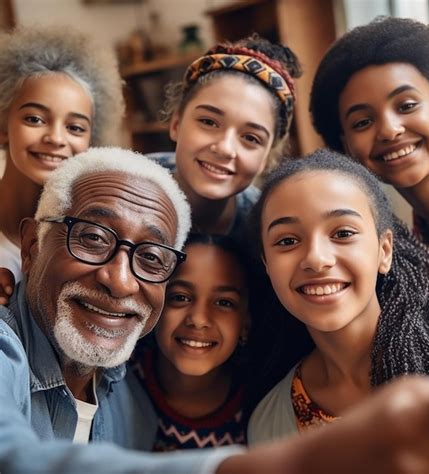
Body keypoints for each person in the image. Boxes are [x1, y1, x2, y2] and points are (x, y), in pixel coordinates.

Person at [0, 146, 429, 473]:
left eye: (150, 258)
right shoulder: (270, 418)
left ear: (385, 249)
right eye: (94, 239)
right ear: (30, 245)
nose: (120, 278)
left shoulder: (126, 391)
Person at [245, 149, 429, 444]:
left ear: (384, 250)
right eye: (287, 241)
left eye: (342, 234)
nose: (316, 258)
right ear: (267, 265)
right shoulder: (268, 425)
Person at [309, 16, 429, 323]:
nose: (388, 130)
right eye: (363, 122)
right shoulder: (401, 248)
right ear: (347, 147)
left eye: (407, 105)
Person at [0, 25, 124, 281]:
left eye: (75, 127)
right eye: (34, 119)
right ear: (3, 126)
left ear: (92, 141)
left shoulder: (93, 237)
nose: (56, 138)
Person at [150, 34, 301, 240]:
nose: (225, 148)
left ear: (266, 158)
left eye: (251, 138)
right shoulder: (122, 185)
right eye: (209, 122)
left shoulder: (266, 230)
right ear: (176, 124)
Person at [133, 233, 251, 450]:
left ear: (246, 323)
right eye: (180, 297)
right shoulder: (117, 383)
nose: (198, 319)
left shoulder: (257, 407)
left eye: (224, 302)